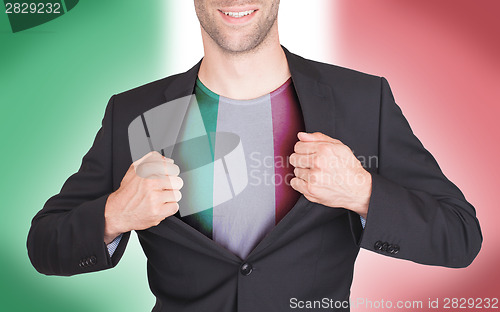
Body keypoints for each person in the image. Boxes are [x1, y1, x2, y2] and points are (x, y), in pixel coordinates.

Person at [27, 1, 482, 311]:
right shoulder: (134, 113)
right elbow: (44, 245)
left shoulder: (363, 100)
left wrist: (363, 192)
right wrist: (114, 214)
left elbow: (460, 236)